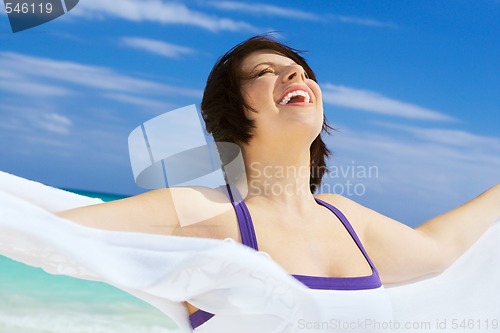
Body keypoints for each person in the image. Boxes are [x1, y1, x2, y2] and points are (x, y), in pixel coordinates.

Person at [4, 35, 500, 332]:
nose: (293, 76)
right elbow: (45, 233)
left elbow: (442, 247)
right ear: (235, 111)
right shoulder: (200, 211)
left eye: (300, 71)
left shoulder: (349, 222)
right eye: (267, 72)